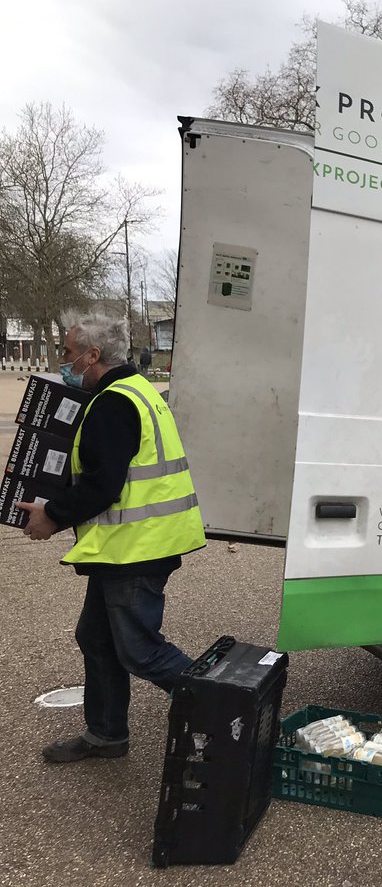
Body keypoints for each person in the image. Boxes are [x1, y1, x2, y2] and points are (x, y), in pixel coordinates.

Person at [17, 314, 206, 763]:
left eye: (67, 353)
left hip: (136, 549)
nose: (64, 362)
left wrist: (52, 516)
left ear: (92, 356)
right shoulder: (137, 390)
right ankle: (106, 735)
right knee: (97, 639)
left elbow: (105, 484)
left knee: (140, 650)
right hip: (134, 544)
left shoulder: (112, 404)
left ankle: (229, 706)